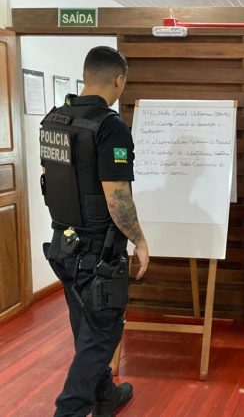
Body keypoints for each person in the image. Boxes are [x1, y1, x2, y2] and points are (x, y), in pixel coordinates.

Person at [40, 46, 149, 417]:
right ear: (118, 79)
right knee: (101, 335)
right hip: (97, 253)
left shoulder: (55, 120)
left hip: (63, 245)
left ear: (86, 76)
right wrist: (139, 240)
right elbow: (117, 197)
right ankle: (69, 411)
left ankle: (105, 398)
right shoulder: (110, 126)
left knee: (86, 330)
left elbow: (49, 179)